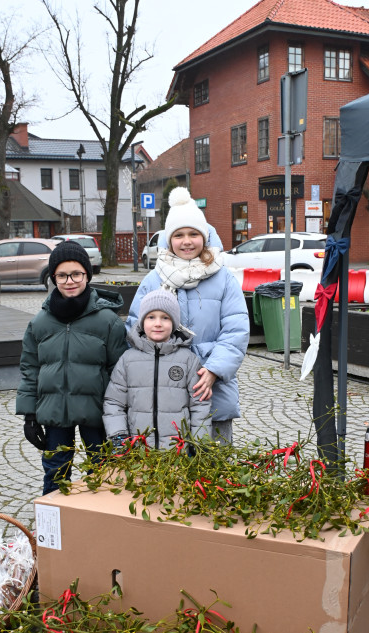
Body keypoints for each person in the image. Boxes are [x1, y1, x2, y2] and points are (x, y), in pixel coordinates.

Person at [126, 187, 249, 444]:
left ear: (204, 237)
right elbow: (134, 329)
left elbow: (236, 330)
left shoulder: (223, 278)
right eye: (179, 235)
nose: (186, 241)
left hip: (211, 388)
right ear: (169, 240)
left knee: (215, 469)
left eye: (193, 234)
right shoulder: (154, 279)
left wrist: (214, 369)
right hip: (165, 391)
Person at [16, 240, 127, 494]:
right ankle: (52, 528)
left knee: (102, 470)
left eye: (76, 273)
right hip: (55, 412)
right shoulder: (40, 323)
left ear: (87, 275)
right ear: (53, 278)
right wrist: (29, 414)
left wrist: (119, 412)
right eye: (62, 275)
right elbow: (30, 368)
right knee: (56, 470)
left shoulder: (108, 321)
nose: (70, 281)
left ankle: (97, 526)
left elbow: (119, 370)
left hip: (96, 412)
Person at [103, 289, 212, 450]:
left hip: (177, 452)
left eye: (165, 318)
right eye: (151, 317)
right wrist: (119, 436)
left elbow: (199, 405)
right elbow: (114, 402)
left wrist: (199, 443)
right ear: (142, 321)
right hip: (138, 451)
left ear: (174, 323)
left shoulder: (188, 360)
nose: (158, 323)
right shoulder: (128, 359)